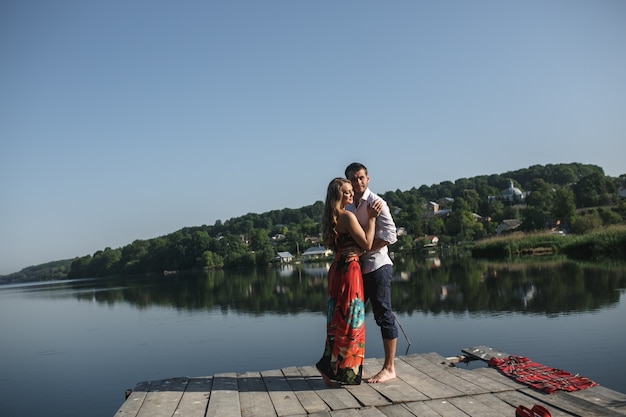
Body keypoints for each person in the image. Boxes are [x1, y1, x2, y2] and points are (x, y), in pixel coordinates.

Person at [316, 177, 382, 386]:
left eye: (351, 191)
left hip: (336, 270)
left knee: (337, 320)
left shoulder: (330, 219)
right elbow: (368, 242)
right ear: (338, 196)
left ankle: (330, 369)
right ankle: (339, 370)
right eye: (346, 192)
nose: (351, 194)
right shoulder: (347, 217)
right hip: (349, 271)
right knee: (351, 320)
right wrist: (371, 218)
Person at [344, 162, 398, 383]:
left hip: (377, 266)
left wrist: (364, 248)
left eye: (361, 178)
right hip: (357, 269)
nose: (358, 182)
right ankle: (353, 365)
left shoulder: (376, 203)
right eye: (353, 179)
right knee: (352, 316)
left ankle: (389, 368)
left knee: (383, 315)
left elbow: (391, 235)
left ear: (368, 178)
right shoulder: (347, 205)